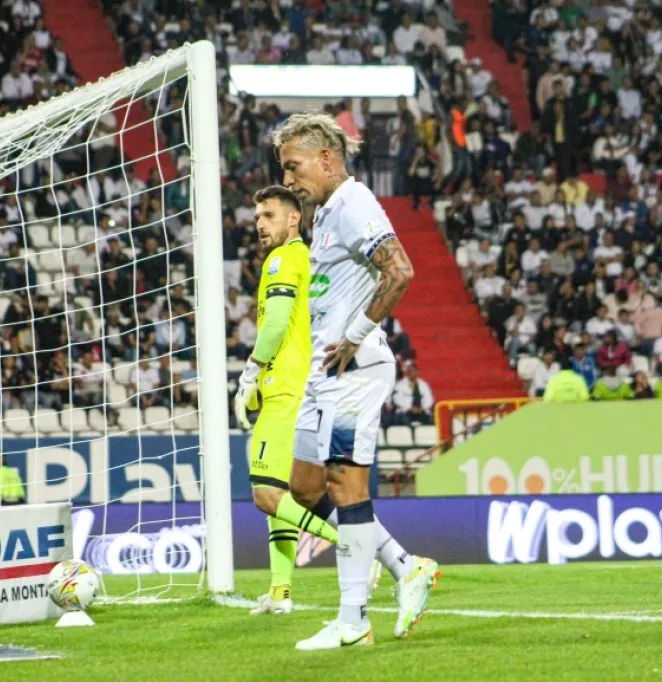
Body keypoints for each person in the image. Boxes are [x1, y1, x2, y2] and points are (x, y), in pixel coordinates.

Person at [274, 112, 438, 650]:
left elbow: (401, 270)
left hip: (354, 368)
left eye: (294, 167)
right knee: (302, 487)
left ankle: (353, 620)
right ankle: (405, 566)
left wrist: (358, 333)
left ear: (326, 159)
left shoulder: (354, 204)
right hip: (327, 373)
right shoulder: (324, 215)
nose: (290, 179)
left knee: (347, 488)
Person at [232, 186, 340, 616]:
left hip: (285, 393)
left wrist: (250, 372)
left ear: (293, 219)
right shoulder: (304, 259)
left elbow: (275, 324)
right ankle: (281, 591)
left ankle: (355, 545)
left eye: (269, 215)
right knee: (281, 497)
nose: (260, 224)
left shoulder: (281, 259)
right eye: (257, 216)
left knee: (265, 496)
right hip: (300, 388)